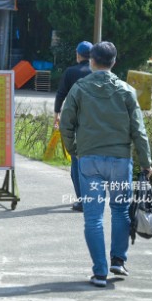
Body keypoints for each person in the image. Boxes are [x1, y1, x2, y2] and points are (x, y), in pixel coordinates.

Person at [59, 41, 152, 288]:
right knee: (121, 210)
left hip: (88, 159)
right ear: (114, 62)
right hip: (120, 160)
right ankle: (118, 261)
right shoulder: (125, 90)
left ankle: (99, 272)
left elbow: (66, 123)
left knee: (93, 217)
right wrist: (146, 162)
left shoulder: (79, 88)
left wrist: (74, 150)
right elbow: (138, 131)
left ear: (91, 60)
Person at [54, 40, 94, 212]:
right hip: (97, 123)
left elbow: (61, 93)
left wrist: (57, 114)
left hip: (76, 123)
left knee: (76, 163)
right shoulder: (97, 73)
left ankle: (83, 202)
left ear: (78, 54)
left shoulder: (71, 72)